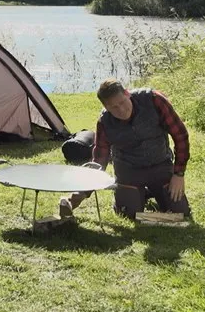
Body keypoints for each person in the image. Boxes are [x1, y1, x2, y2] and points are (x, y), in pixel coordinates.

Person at [59, 79, 191, 220]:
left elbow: (180, 136)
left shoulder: (154, 100)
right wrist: (77, 196)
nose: (121, 110)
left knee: (181, 213)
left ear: (127, 93)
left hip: (160, 165)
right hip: (129, 170)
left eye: (122, 102)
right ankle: (133, 195)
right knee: (129, 214)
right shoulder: (104, 122)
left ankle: (147, 192)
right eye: (114, 107)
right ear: (106, 107)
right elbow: (99, 160)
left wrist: (178, 174)